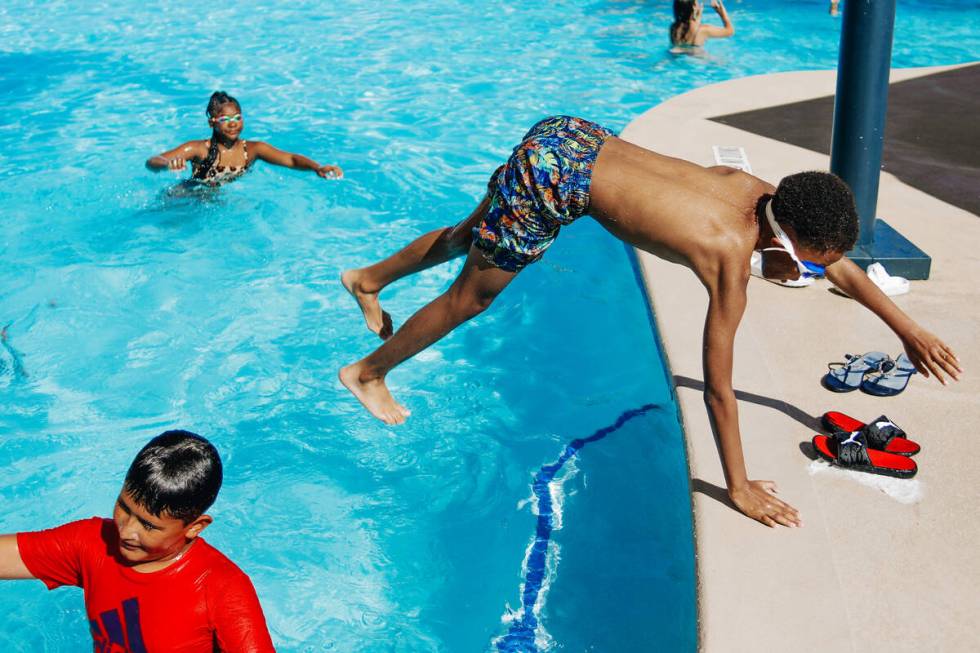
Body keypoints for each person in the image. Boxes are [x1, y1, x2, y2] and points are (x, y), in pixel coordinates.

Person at [338, 115, 962, 528]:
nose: (812, 273)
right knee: (473, 295)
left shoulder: (759, 190)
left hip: (568, 136)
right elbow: (718, 387)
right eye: (807, 262)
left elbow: (842, 268)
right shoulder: (727, 258)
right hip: (556, 180)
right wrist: (737, 487)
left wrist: (907, 330)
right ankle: (368, 372)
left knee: (470, 234)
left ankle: (368, 279)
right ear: (789, 235)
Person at [0, 430, 276, 652]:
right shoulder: (92, 542)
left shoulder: (222, 588)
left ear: (195, 527)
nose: (127, 531)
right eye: (124, 508)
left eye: (148, 525)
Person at [146, 91, 343, 186]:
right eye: (225, 119)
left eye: (237, 118)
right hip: (186, 197)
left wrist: (317, 167)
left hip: (216, 202)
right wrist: (167, 164)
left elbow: (290, 159)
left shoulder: (253, 150)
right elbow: (152, 161)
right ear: (212, 123)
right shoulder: (200, 149)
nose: (233, 124)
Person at [670, 0, 734, 52]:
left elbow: (689, 32)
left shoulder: (673, 28)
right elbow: (730, 31)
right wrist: (722, 14)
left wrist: (697, 16)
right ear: (694, 7)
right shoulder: (703, 30)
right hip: (698, 61)